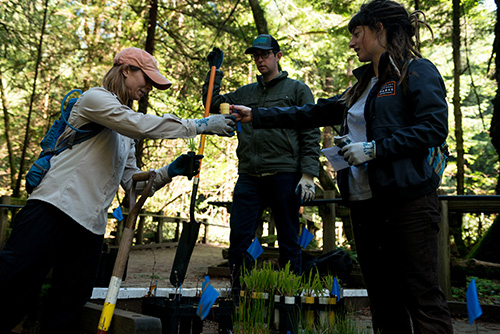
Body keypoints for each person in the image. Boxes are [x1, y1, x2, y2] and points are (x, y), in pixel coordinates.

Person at [231, 1, 453, 333]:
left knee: (421, 297)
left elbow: (434, 127)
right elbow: (311, 113)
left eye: (357, 34)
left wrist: (376, 149)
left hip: (407, 205)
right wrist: (257, 115)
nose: (352, 43)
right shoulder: (363, 85)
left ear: (379, 30)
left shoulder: (416, 71)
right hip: (365, 207)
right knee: (383, 298)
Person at [0, 47, 235, 333]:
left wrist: (170, 171)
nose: (148, 87)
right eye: (146, 79)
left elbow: (132, 182)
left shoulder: (125, 132)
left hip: (90, 228)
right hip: (53, 209)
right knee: (12, 291)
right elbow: (137, 124)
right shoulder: (95, 99)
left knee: (67, 309)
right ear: (126, 70)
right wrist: (198, 125)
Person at [202, 35, 321, 290]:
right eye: (256, 55)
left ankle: (289, 301)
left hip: (285, 174)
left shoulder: (297, 90)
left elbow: (311, 133)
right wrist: (215, 72)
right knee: (240, 240)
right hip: (249, 176)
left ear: (278, 56)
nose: (259, 59)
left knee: (289, 241)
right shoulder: (246, 92)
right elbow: (212, 104)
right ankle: (240, 298)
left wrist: (309, 174)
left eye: (265, 54)